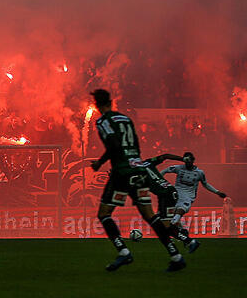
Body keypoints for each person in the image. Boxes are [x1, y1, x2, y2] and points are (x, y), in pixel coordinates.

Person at [89, 89, 185, 272]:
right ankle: (176, 256)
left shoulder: (103, 121)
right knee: (150, 215)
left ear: (96, 105)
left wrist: (99, 163)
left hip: (122, 172)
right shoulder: (126, 119)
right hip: (138, 169)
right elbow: (135, 146)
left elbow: (114, 144)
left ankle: (124, 252)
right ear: (111, 101)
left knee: (104, 213)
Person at [141, 153, 200, 252]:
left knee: (165, 226)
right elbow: (166, 155)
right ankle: (182, 232)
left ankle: (189, 241)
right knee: (161, 222)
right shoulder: (147, 162)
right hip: (169, 192)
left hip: (166, 195)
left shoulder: (133, 171)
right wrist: (182, 159)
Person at [161, 152, 227, 239]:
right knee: (172, 214)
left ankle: (172, 227)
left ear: (193, 160)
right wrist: (160, 181)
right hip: (176, 194)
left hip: (188, 196)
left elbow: (205, 184)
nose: (187, 162)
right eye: (185, 160)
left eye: (189, 160)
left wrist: (217, 192)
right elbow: (165, 171)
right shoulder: (179, 168)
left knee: (180, 211)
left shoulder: (199, 173)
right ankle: (182, 232)